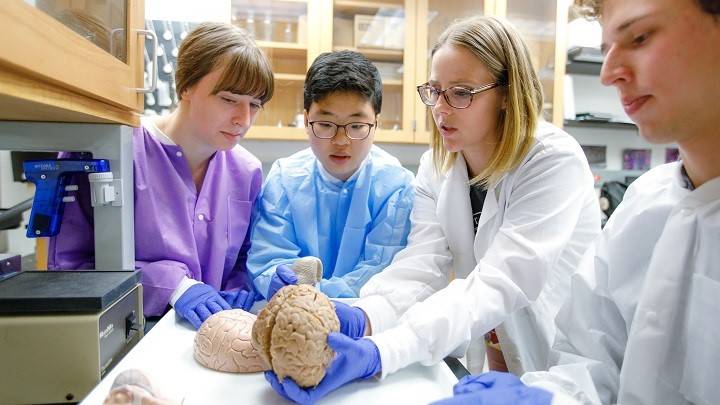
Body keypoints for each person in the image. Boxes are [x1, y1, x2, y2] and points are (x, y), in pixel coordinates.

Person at [265, 15, 601, 403]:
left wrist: (384, 351)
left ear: (507, 92)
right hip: (487, 360)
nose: (440, 109)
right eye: (435, 91)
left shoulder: (551, 161)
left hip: (560, 364)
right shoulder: (437, 166)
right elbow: (421, 267)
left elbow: (503, 280)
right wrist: (362, 315)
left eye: (461, 93)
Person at [431, 0, 720, 404]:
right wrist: (546, 398)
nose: (607, 74)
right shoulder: (642, 208)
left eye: (639, 37)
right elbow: (591, 366)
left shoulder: (552, 159)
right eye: (606, 51)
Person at [47, 22, 274, 329]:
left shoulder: (246, 171)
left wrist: (239, 288)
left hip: (213, 336)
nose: (243, 120)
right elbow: (70, 269)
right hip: (125, 333)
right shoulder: (109, 153)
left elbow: (244, 259)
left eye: (255, 105)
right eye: (229, 99)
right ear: (186, 87)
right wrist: (173, 286)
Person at [246, 50, 415, 299]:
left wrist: (314, 295)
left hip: (366, 321)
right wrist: (280, 280)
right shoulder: (284, 180)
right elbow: (268, 259)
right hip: (293, 315)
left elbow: (380, 272)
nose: (341, 141)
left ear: (376, 124)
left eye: (356, 126)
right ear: (306, 120)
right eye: (325, 125)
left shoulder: (396, 187)